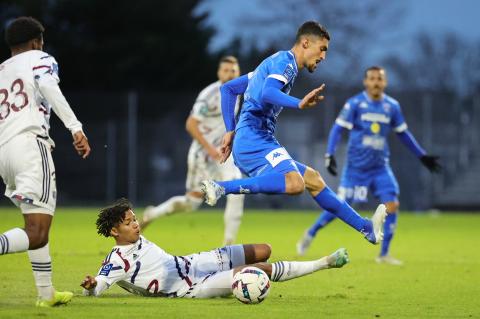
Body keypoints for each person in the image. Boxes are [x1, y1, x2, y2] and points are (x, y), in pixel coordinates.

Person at [200, 21, 387, 245]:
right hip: (254, 137)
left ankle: (366, 228)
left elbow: (228, 89)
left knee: (313, 180)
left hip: (253, 138)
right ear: (306, 42)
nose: (323, 57)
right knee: (294, 183)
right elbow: (268, 93)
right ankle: (220, 187)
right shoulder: (285, 63)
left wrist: (230, 130)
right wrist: (299, 103)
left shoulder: (271, 63)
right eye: (323, 49)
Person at [296, 66, 441, 264]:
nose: (375, 82)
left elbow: (403, 133)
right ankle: (311, 232)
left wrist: (422, 156)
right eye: (372, 78)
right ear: (365, 82)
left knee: (392, 204)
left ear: (385, 83)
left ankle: (384, 254)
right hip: (356, 170)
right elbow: (338, 129)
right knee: (340, 207)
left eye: (379, 79)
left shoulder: (392, 106)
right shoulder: (355, 104)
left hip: (381, 168)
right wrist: (330, 153)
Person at [81, 198, 349, 298]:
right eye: (130, 223)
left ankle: (258, 274)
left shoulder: (135, 239)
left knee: (263, 249)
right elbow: (101, 284)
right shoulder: (117, 261)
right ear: (115, 231)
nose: (137, 225)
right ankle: (324, 262)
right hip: (193, 288)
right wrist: (93, 285)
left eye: (136, 219)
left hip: (194, 263)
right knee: (257, 270)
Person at [0, 17, 91, 307]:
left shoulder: (2, 70)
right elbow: (47, 83)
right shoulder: (40, 58)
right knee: (37, 233)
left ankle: (46, 293)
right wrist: (75, 127)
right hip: (30, 145)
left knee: (34, 220)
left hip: (5, 151)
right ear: (37, 41)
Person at [140, 56, 245, 245]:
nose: (230, 74)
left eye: (234, 70)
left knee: (238, 189)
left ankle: (228, 246)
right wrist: (210, 149)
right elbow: (191, 124)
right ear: (219, 72)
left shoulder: (238, 92)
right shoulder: (210, 94)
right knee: (191, 203)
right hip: (203, 155)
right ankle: (152, 213)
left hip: (223, 154)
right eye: (226, 70)